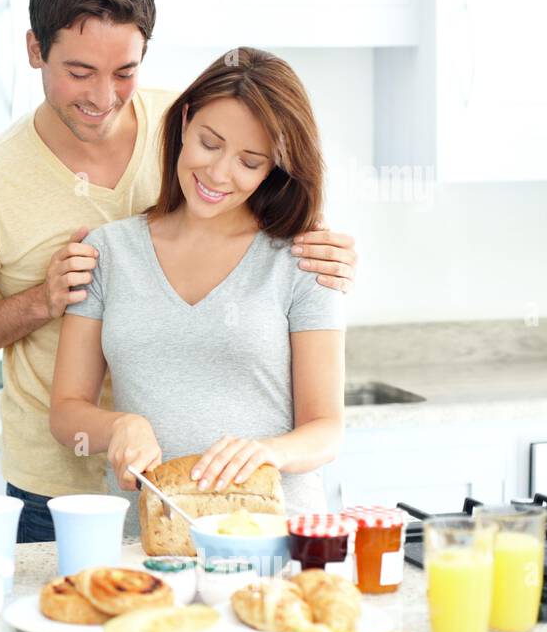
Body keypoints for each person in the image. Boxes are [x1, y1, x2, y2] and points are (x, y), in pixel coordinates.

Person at [0, 0, 357, 543]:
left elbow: (267, 172)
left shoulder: (190, 122)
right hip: (67, 487)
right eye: (79, 72)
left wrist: (325, 244)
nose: (105, 96)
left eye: (124, 72)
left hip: (259, 514)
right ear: (34, 50)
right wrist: (41, 302)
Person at [49, 47, 345, 522]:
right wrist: (120, 426)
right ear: (185, 121)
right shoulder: (109, 253)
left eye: (250, 162)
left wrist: (269, 453)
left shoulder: (304, 260)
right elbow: (66, 413)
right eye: (210, 143)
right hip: (148, 534)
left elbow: (326, 428)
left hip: (273, 532)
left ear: (275, 169)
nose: (218, 173)